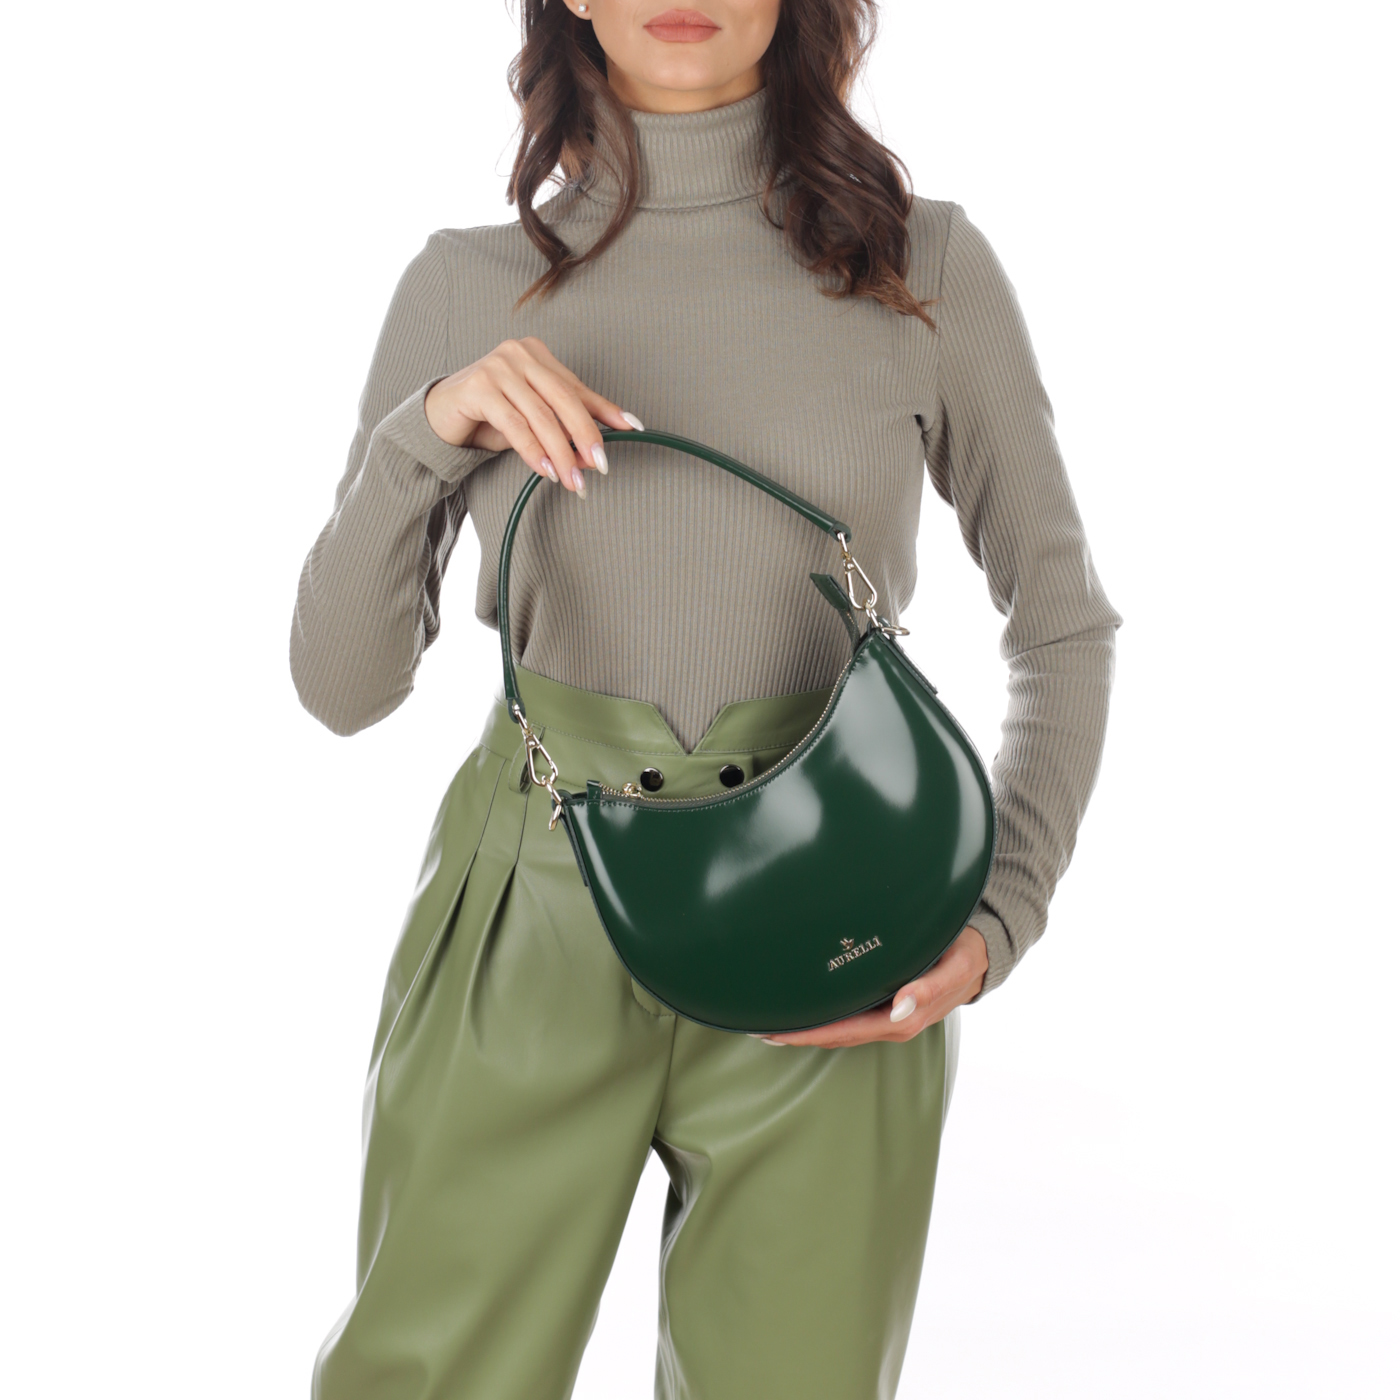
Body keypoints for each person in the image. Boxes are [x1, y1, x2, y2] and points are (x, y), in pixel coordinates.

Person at [291, 2, 1120, 1396]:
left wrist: (999, 914)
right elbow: (342, 687)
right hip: (529, 908)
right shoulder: (465, 283)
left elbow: (1061, 620)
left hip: (842, 918)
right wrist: (427, 430)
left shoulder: (924, 269)